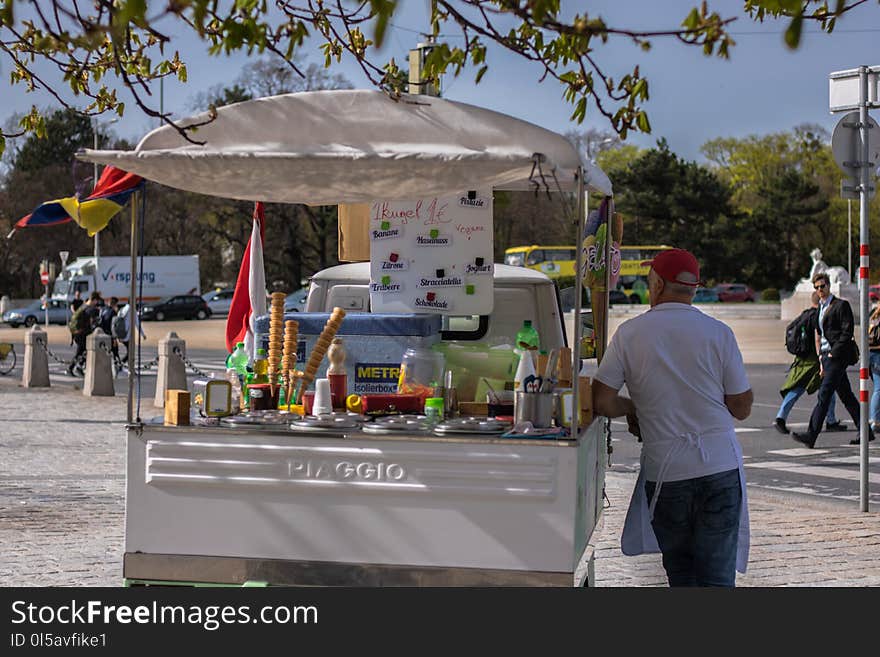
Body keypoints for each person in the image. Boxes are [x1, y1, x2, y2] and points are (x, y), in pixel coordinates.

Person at [592, 248, 753, 587]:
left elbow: (602, 400)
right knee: (717, 578)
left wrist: (634, 407)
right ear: (694, 287)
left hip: (667, 472)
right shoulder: (719, 332)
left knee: (681, 576)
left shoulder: (630, 333)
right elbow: (741, 407)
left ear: (658, 283)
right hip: (720, 467)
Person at [792, 272, 874, 448]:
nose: (820, 290)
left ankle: (811, 435)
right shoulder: (820, 308)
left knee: (824, 394)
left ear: (829, 286)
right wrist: (821, 357)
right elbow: (819, 334)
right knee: (846, 396)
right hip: (827, 357)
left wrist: (833, 353)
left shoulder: (840, 305)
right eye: (817, 288)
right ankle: (866, 431)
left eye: (822, 286)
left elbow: (847, 331)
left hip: (837, 356)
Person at [774, 292, 844, 434]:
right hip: (816, 358)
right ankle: (830, 420)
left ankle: (781, 416)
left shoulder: (805, 314)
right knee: (827, 388)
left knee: (799, 388)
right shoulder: (818, 315)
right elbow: (820, 337)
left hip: (803, 358)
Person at [66, 291, 101, 376]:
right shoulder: (89, 308)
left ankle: (77, 367)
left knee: (82, 351)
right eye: (97, 301)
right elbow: (91, 322)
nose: (97, 303)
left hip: (78, 332)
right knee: (83, 351)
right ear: (94, 300)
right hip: (81, 333)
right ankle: (73, 368)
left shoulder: (83, 306)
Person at [867, 302, 880, 433]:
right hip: (878, 354)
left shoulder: (873, 313)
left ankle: (875, 419)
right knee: (879, 388)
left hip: (871, 353)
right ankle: (875, 420)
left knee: (878, 387)